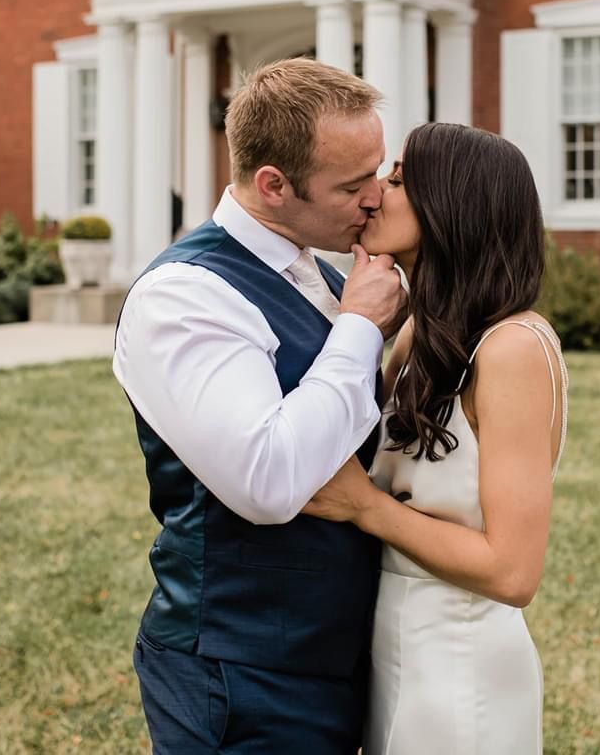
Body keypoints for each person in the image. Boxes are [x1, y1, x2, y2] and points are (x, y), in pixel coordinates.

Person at [113, 58, 408, 753]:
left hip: (324, 658)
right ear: (273, 185)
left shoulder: (314, 269)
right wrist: (359, 329)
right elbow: (268, 480)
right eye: (352, 184)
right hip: (240, 673)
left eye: (379, 171)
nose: (375, 197)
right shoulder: (184, 296)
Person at [303, 121, 569, 755]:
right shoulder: (420, 333)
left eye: (397, 178)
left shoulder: (513, 349)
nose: (374, 193)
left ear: (450, 204)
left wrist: (366, 508)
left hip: (463, 660)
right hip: (391, 646)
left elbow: (512, 571)